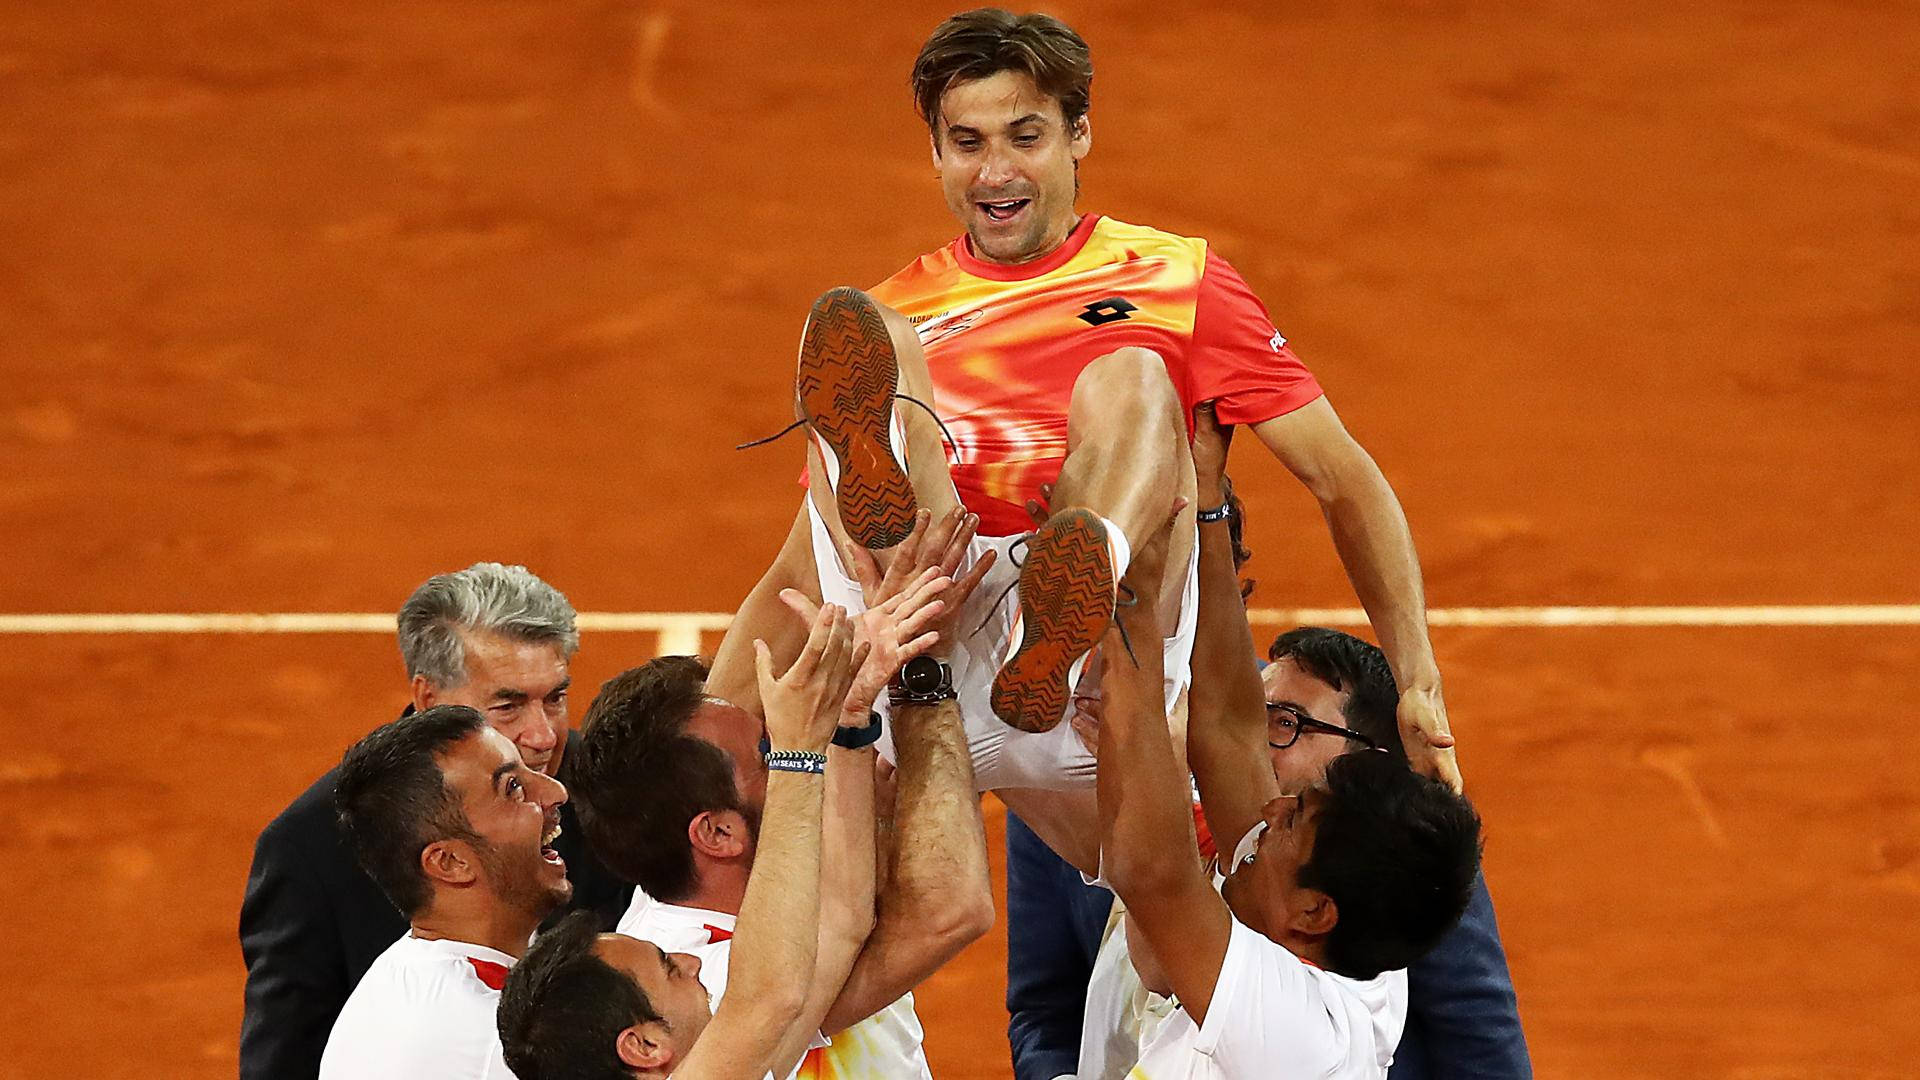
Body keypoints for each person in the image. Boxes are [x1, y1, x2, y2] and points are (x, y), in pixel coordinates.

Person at [1088, 427, 1482, 1078]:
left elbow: (1154, 874)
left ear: (1314, 914)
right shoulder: (1310, 902)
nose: (1269, 811)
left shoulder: (1306, 1044)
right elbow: (1226, 726)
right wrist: (1208, 497)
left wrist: (1131, 603)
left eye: (1291, 822)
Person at [568, 509, 995, 1078]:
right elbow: (946, 911)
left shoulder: (687, 866)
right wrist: (923, 674)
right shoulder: (702, 989)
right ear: (719, 833)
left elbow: (795, 573)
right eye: (776, 753)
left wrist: (824, 468)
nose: (798, 742)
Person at [240, 563, 632, 1080]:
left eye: (555, 698)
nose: (543, 737)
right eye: (508, 706)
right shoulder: (312, 850)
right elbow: (286, 1060)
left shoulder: (613, 795)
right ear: (429, 700)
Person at [497, 603, 898, 1080]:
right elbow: (945, 914)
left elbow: (842, 920)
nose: (689, 964)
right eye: (668, 967)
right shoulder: (712, 983)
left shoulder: (669, 879)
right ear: (644, 1046)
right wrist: (808, 748)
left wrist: (849, 716)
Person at [316, 704, 570, 1078]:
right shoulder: (492, 1038)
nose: (556, 791)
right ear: (450, 862)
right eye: (512, 788)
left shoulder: (410, 976)